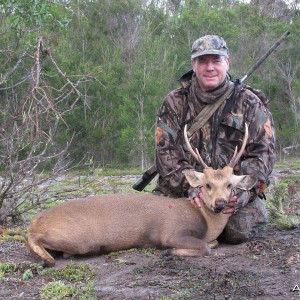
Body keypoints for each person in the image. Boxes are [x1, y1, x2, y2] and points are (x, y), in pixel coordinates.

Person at [154, 35, 276, 244]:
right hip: (186, 193)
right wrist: (192, 187)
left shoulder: (250, 103)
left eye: (216, 60)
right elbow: (165, 152)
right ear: (194, 65)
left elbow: (262, 156)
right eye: (203, 61)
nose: (210, 67)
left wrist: (239, 194)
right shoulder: (174, 102)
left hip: (230, 194)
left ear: (227, 62)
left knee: (235, 231)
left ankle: (251, 214)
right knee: (155, 225)